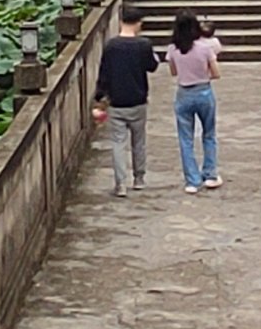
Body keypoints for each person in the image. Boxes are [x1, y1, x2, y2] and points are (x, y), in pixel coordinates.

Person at [93, 11, 158, 196]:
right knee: (139, 142)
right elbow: (152, 66)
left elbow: (104, 74)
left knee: (118, 143)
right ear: (139, 23)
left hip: (117, 102)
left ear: (121, 22)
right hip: (138, 100)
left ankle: (120, 184)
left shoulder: (111, 46)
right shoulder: (144, 45)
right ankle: (139, 179)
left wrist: (99, 97)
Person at [164, 11, 223, 194]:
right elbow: (216, 73)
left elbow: (173, 72)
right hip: (203, 90)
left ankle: (192, 180)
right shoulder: (205, 48)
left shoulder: (173, 49)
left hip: (184, 92)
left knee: (186, 138)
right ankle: (210, 174)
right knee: (209, 134)